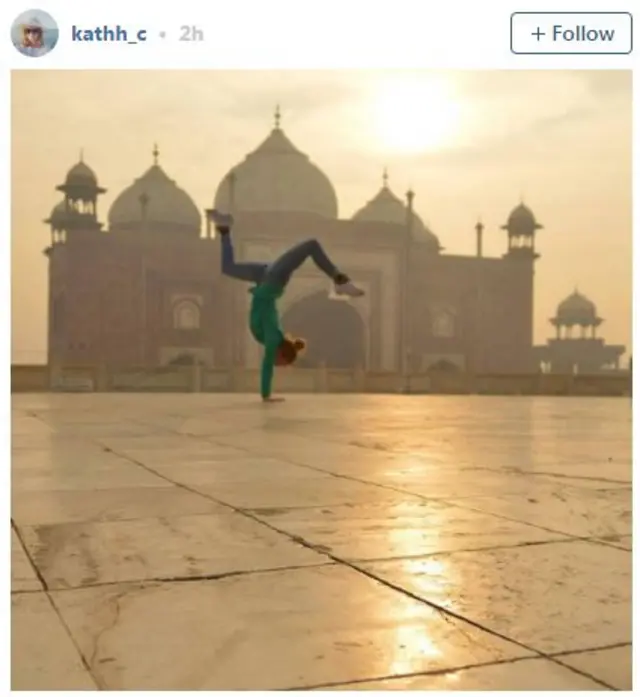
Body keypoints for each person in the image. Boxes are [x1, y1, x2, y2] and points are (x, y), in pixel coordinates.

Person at [208, 209, 364, 402]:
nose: (276, 364)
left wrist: (259, 292)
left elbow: (264, 310)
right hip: (273, 279)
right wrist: (266, 395)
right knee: (311, 245)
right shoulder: (273, 338)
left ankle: (224, 228)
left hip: (263, 279)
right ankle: (340, 281)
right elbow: (266, 367)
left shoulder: (271, 336)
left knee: (228, 268)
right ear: (282, 354)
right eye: (280, 363)